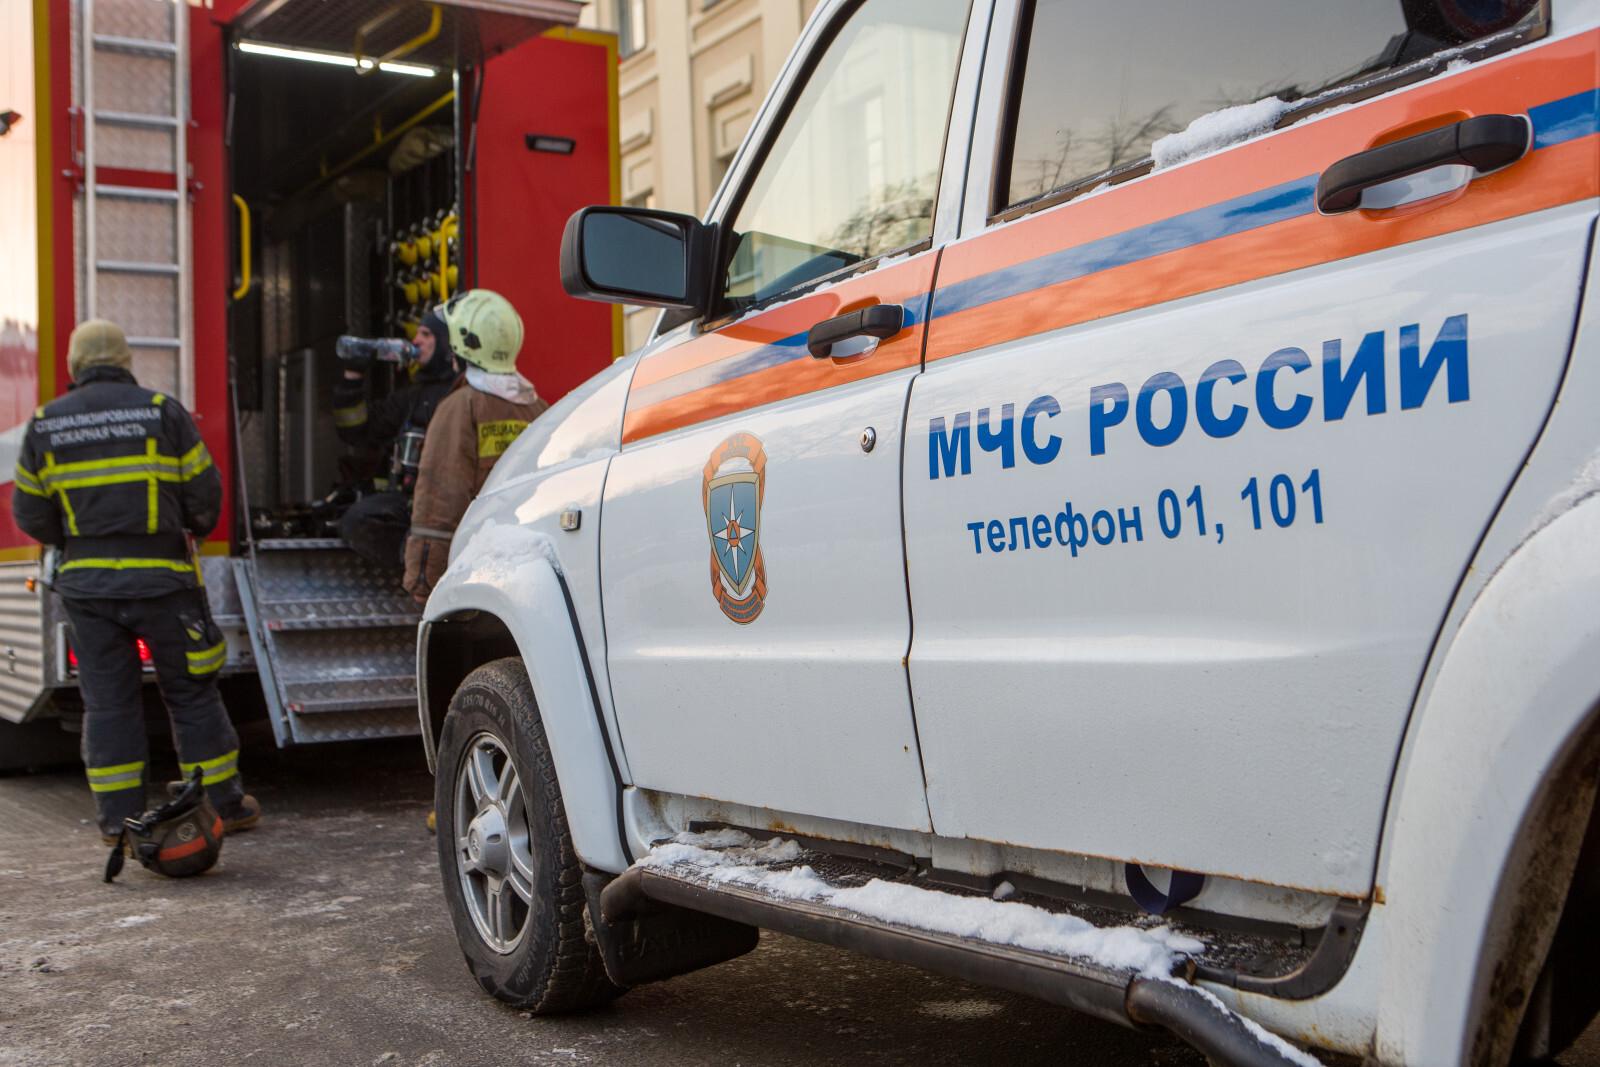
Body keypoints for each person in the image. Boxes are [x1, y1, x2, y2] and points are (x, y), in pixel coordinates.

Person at [11, 320, 259, 844]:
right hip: (164, 583)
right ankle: (223, 807)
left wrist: (80, 542)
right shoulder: (162, 412)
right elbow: (204, 497)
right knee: (191, 694)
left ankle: (117, 822)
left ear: (74, 365)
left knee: (108, 704)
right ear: (126, 361)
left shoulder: (45, 424)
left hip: (88, 590)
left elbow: (30, 514)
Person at [404, 290, 548, 602]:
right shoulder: (540, 410)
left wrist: (423, 579)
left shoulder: (459, 407)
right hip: (529, 568)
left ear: (462, 345)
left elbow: (441, 495)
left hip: (471, 569)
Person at [333, 308, 460, 567]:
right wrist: (353, 377)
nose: (416, 341)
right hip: (413, 500)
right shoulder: (412, 397)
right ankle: (417, 560)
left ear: (447, 343)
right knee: (357, 520)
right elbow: (356, 431)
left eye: (426, 334)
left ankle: (429, 562)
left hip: (450, 503)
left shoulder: (462, 394)